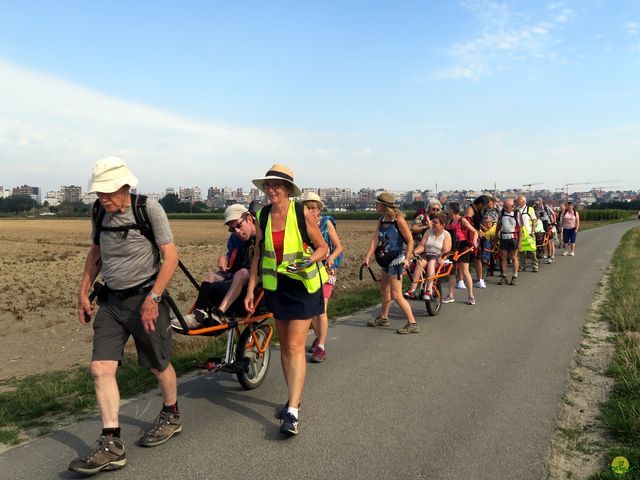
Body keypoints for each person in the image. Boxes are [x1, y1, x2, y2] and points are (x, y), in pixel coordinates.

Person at [69, 157, 180, 475]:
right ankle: (111, 444)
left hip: (146, 300)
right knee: (100, 368)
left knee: (158, 366)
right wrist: (83, 290)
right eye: (98, 193)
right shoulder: (98, 211)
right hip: (111, 304)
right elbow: (96, 252)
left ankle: (171, 414)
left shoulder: (149, 209)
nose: (102, 198)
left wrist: (153, 298)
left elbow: (170, 256)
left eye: (107, 192)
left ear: (125, 186)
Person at [244, 164, 329, 436]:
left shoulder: (301, 212)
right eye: (268, 185)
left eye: (276, 185)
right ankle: (294, 398)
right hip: (276, 287)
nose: (271, 190)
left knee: (294, 345)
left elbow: (323, 248)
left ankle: (292, 411)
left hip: (302, 286)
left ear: (288, 190)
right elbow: (257, 253)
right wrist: (250, 288)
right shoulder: (262, 215)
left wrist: (307, 260)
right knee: (285, 347)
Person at [171, 204, 257, 329]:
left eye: (238, 225)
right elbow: (230, 255)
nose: (237, 231)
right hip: (237, 275)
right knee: (211, 277)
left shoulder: (262, 235)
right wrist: (223, 259)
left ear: (249, 219)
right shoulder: (235, 239)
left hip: (257, 276)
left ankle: (219, 314)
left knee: (242, 273)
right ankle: (198, 315)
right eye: (232, 229)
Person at [363, 192, 419, 334]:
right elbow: (375, 239)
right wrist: (368, 256)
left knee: (396, 294)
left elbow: (410, 240)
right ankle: (384, 317)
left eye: (377, 203)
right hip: (385, 260)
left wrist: (407, 258)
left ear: (384, 205)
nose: (375, 205)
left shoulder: (397, 219)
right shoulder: (382, 220)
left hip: (397, 260)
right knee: (384, 290)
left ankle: (412, 323)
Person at [300, 191, 344, 363]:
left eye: (314, 208)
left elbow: (339, 246)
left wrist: (331, 257)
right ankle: (319, 336)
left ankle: (321, 347)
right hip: (309, 272)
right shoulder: (301, 225)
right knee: (310, 311)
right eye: (308, 208)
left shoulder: (326, 224)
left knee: (321, 309)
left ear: (319, 209)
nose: (311, 211)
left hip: (327, 270)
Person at [411, 213, 452, 300]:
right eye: (432, 222)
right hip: (426, 254)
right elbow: (422, 246)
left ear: (442, 225)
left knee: (431, 263)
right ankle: (412, 289)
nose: (432, 224)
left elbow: (446, 250)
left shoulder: (446, 235)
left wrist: (442, 258)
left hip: (438, 255)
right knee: (420, 263)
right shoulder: (428, 232)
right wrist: (415, 251)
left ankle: (429, 290)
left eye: (435, 222)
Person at [444, 202, 478, 305]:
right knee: (451, 272)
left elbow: (475, 231)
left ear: (451, 210)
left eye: (448, 209)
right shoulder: (448, 221)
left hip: (463, 247)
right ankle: (450, 295)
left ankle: (471, 296)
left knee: (465, 271)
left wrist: (475, 242)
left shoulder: (461, 220)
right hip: (452, 248)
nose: (447, 211)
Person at [464, 195, 495, 289]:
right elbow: (467, 223)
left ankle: (480, 279)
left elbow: (477, 222)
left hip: (477, 235)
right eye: (484, 205)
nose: (485, 207)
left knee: (478, 258)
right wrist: (477, 231)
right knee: (467, 259)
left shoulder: (479, 209)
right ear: (480, 204)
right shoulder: (470, 209)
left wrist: (482, 228)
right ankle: (463, 279)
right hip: (470, 237)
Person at [495, 198, 523, 286]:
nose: (507, 208)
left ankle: (514, 277)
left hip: (513, 237)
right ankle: (504, 276)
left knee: (514, 257)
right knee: (503, 257)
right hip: (503, 237)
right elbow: (498, 225)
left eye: (509, 207)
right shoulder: (502, 212)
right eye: (505, 207)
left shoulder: (516, 213)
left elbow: (520, 229)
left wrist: (519, 242)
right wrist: (496, 235)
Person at [516, 195, 539, 273]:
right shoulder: (516, 210)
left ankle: (535, 266)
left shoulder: (530, 209)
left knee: (532, 250)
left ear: (523, 201)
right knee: (521, 251)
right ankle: (522, 266)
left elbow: (534, 220)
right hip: (520, 234)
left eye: (518, 200)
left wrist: (533, 231)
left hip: (529, 233)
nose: (517, 202)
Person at [533, 197, 556, 263]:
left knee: (548, 240)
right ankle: (539, 255)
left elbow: (553, 214)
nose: (537, 205)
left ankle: (549, 256)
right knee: (539, 241)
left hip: (546, 224)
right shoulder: (534, 207)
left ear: (541, 202)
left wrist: (553, 222)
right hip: (539, 224)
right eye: (536, 204)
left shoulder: (546, 207)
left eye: (538, 203)